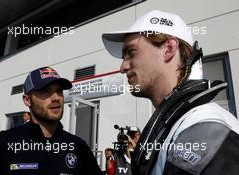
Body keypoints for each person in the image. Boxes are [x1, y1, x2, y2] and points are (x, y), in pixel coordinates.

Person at [102, 10, 239, 175]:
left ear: (168, 49)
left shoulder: (205, 128)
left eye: (131, 53)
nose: (122, 67)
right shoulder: (173, 125)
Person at [0, 66, 102, 175]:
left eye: (59, 91)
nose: (56, 98)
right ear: (27, 100)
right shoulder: (0, 144)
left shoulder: (79, 147)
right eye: (45, 91)